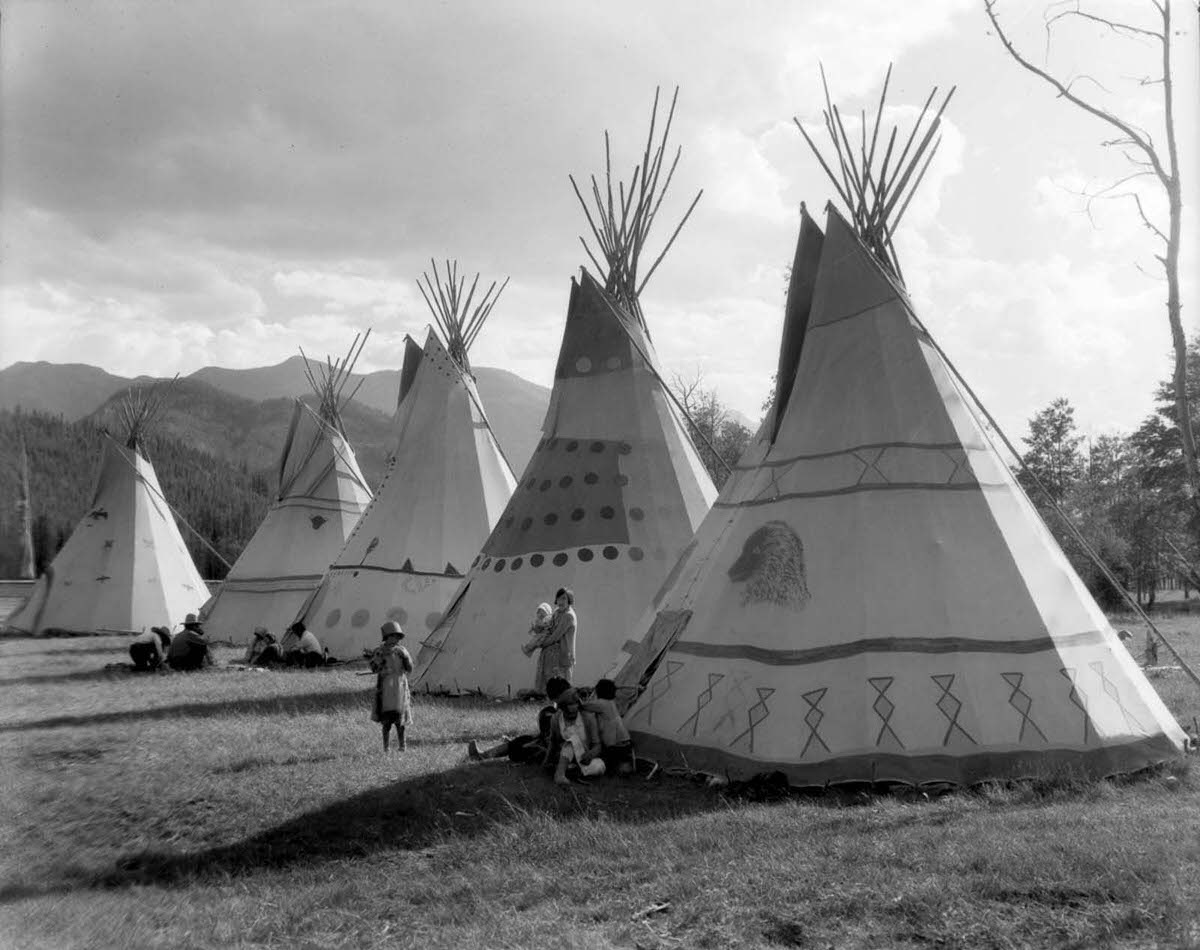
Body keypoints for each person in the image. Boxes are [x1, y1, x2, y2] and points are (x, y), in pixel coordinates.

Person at [466, 677, 573, 764]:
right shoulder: (557, 710)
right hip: (553, 745)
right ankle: (483, 755)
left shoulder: (570, 710)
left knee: (520, 748)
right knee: (523, 740)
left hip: (562, 751)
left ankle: (485, 755)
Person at [368, 620, 413, 753]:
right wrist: (379, 659)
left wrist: (405, 657)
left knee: (400, 721)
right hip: (385, 689)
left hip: (399, 688)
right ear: (386, 637)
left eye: (397, 636)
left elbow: (409, 668)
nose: (395, 639)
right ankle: (386, 748)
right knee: (386, 721)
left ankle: (402, 746)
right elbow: (373, 668)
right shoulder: (379, 651)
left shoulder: (402, 651)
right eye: (393, 636)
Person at [546, 687, 604, 786]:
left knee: (600, 766)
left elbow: (597, 745)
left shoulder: (588, 718)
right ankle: (560, 774)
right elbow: (553, 742)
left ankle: (573, 772)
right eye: (570, 705)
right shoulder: (555, 719)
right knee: (573, 739)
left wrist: (590, 755)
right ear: (563, 707)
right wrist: (546, 761)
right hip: (563, 756)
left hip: (583, 757)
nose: (574, 709)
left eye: (576, 704)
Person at [581, 678, 635, 775]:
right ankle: (623, 765)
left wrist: (576, 697)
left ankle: (615, 766)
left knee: (598, 757)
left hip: (614, 746)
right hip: (626, 743)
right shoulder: (612, 703)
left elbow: (584, 706)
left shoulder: (602, 703)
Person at [527, 588, 577, 691]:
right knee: (551, 684)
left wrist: (540, 644)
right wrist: (538, 629)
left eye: (564, 599)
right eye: (559, 599)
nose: (561, 602)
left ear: (569, 600)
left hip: (564, 655)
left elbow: (555, 636)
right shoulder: (557, 612)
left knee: (564, 686)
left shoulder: (568, 616)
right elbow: (549, 629)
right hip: (553, 656)